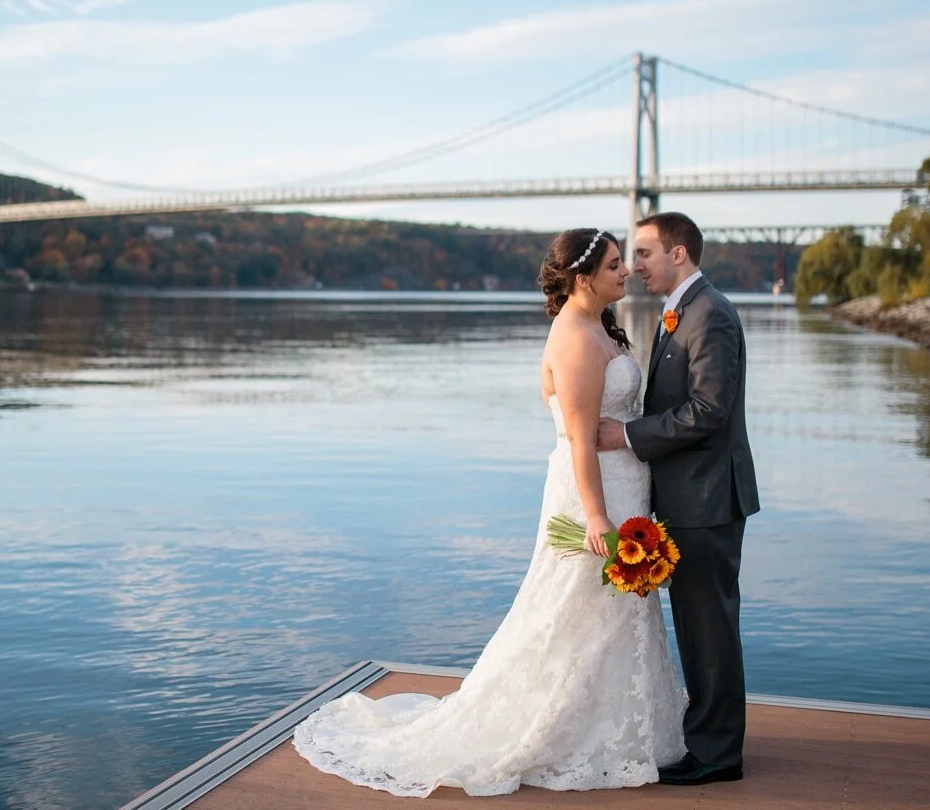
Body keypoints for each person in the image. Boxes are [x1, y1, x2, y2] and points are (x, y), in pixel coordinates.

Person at [292, 228, 686, 797]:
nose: (624, 272)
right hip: (594, 496)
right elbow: (579, 441)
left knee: (608, 617)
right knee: (571, 614)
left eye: (624, 262)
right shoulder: (575, 338)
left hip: (624, 487)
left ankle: (619, 729)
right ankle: (561, 731)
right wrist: (598, 518)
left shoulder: (597, 326)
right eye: (613, 265)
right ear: (582, 279)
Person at [598, 211, 759, 786]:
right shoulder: (683, 311)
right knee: (698, 630)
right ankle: (709, 742)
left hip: (709, 499)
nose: (635, 265)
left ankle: (717, 756)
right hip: (691, 498)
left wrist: (627, 436)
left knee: (710, 632)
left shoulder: (709, 315)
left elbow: (710, 412)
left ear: (679, 254)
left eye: (643, 253)